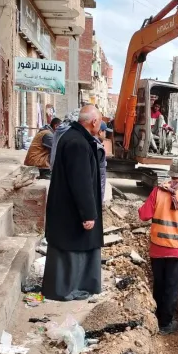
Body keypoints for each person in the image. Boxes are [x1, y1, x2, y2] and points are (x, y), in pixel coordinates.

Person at [42, 105, 104, 301]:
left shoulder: (74, 138)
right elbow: (81, 182)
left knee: (72, 246)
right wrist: (88, 214)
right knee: (72, 247)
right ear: (94, 121)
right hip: (71, 208)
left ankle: (71, 287)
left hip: (66, 205)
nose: (101, 125)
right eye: (100, 121)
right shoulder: (78, 143)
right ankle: (68, 289)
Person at [138, 157, 178, 335]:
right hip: (177, 252)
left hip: (157, 249)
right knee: (172, 287)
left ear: (171, 174)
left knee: (159, 283)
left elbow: (143, 215)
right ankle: (165, 324)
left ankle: (156, 316)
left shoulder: (158, 192)